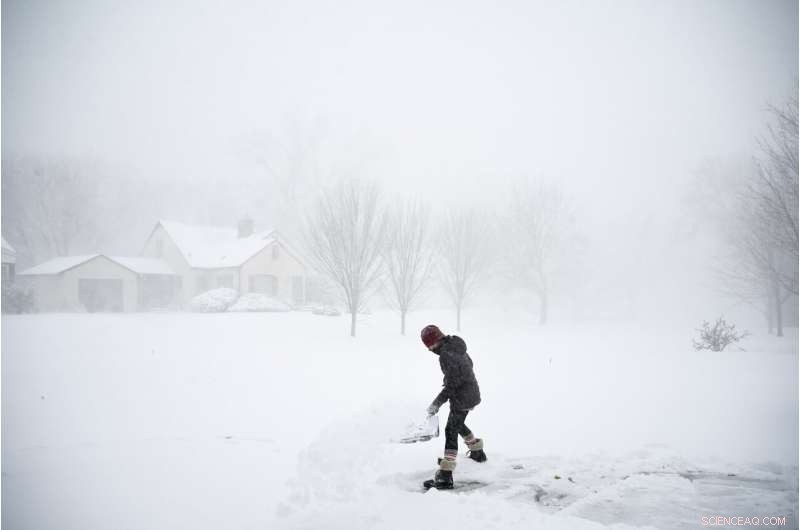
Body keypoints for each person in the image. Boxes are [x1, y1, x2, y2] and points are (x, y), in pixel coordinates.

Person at [420, 324, 487, 490]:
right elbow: (465, 369)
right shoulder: (456, 346)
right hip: (471, 392)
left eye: (429, 346)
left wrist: (436, 404)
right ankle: (477, 452)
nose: (429, 350)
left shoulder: (446, 355)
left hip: (462, 397)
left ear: (434, 342)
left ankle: (445, 475)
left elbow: (452, 384)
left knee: (451, 429)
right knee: (457, 424)